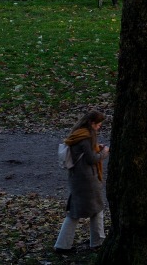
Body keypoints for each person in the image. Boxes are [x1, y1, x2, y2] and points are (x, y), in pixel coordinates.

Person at [53, 109, 109, 255]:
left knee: (75, 212)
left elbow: (84, 153)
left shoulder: (77, 134)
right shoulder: (87, 137)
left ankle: (62, 244)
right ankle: (97, 242)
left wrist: (96, 148)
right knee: (97, 210)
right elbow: (91, 159)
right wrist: (104, 152)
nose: (99, 127)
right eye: (98, 124)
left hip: (76, 178)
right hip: (87, 180)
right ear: (91, 123)